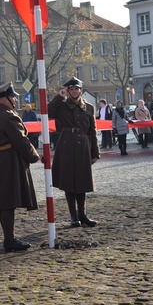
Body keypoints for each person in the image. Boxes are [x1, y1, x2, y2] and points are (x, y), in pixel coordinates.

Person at [0, 82, 39, 252]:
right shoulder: (8, 116)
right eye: (13, 97)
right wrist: (35, 156)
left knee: (5, 199)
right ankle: (9, 239)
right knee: (8, 200)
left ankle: (9, 237)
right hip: (9, 160)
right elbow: (21, 140)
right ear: (4, 99)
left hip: (2, 159)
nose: (16, 100)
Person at [48, 77, 100, 228]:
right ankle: (73, 215)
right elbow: (49, 110)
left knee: (82, 182)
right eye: (71, 89)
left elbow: (93, 131)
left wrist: (95, 152)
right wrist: (60, 96)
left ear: (81, 91)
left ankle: (83, 214)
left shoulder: (89, 107)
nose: (74, 91)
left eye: (76, 89)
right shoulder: (62, 106)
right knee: (69, 182)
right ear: (68, 91)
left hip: (83, 145)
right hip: (67, 144)